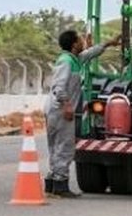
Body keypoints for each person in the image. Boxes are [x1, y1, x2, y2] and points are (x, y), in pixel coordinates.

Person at [44, 30, 120, 197]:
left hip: (56, 109)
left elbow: (89, 54)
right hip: (60, 109)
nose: (82, 42)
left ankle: (52, 183)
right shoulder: (66, 62)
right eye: (79, 40)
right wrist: (66, 105)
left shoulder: (73, 60)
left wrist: (108, 44)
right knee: (65, 146)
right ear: (73, 45)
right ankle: (60, 184)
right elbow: (58, 87)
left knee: (56, 146)